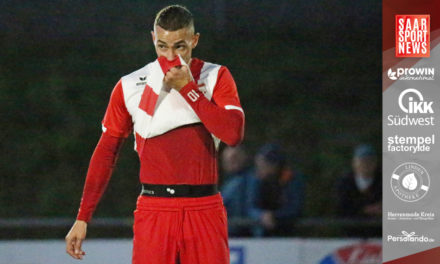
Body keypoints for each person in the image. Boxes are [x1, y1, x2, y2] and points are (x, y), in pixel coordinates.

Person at [65, 5, 245, 264]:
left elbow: (233, 133)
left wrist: (188, 89)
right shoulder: (129, 85)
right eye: (162, 46)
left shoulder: (215, 75)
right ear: (153, 39)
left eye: (180, 46)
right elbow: (106, 151)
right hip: (155, 210)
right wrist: (83, 217)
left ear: (195, 41)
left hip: (204, 209)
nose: (170, 56)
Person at [248, 143, 305, 237]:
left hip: (287, 231)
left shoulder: (292, 179)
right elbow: (250, 207)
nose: (259, 169)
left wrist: (274, 216)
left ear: (274, 165)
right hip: (261, 232)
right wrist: (261, 215)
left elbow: (295, 208)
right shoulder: (255, 179)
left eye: (263, 165)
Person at [335, 144, 381, 218]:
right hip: (351, 226)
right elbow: (341, 208)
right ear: (354, 163)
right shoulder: (345, 182)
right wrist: (364, 210)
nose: (366, 165)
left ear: (375, 163)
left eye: (370, 161)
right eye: (362, 161)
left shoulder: (383, 182)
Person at [220, 145, 254, 237]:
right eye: (227, 160)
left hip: (245, 233)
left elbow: (250, 207)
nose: (231, 162)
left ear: (243, 157)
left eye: (234, 158)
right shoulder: (228, 183)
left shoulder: (251, 179)